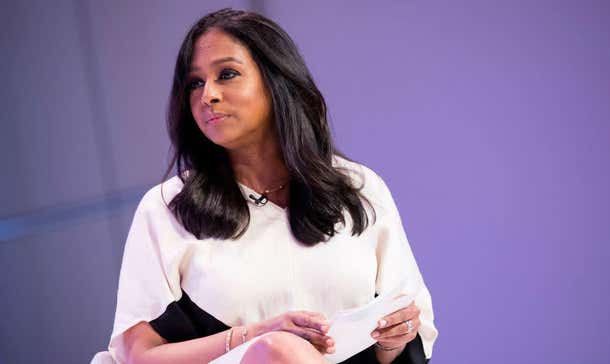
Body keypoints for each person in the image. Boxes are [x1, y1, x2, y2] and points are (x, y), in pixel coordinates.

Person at [106, 8, 438, 364]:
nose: (208, 95)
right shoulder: (167, 207)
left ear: (277, 79)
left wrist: (393, 340)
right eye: (195, 84)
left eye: (227, 74)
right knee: (279, 350)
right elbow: (137, 355)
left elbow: (405, 339)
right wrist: (256, 338)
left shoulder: (358, 189)